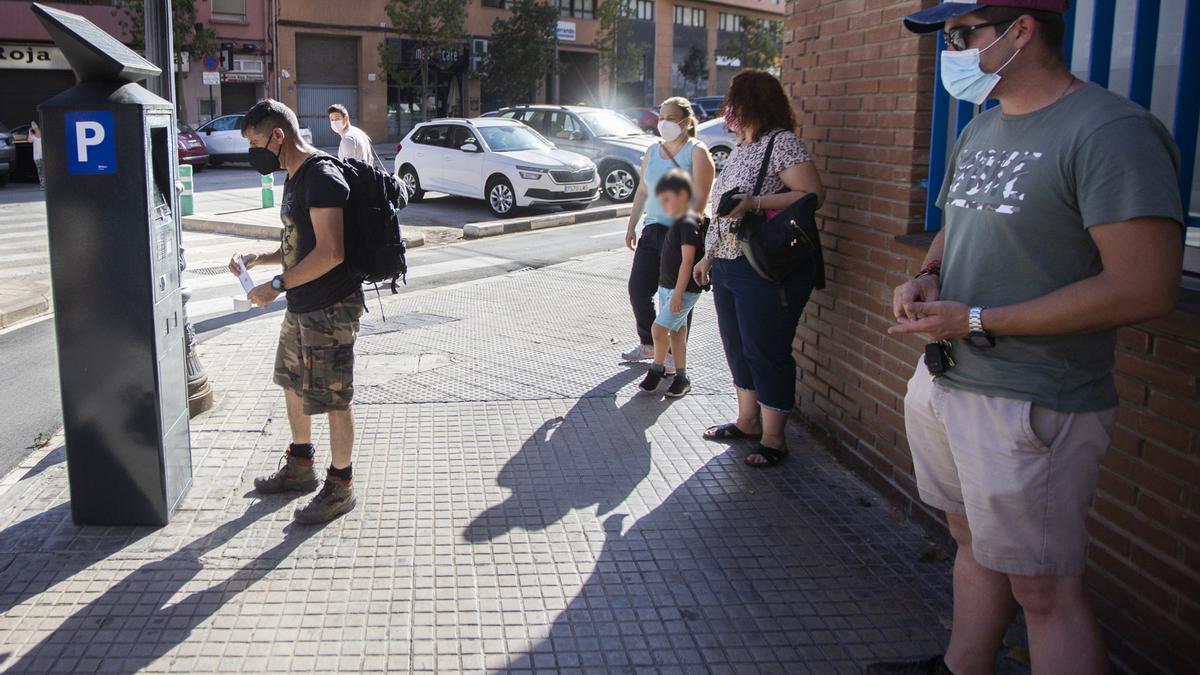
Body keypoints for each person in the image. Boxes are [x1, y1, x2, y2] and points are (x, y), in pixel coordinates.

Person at [869, 3, 1184, 674]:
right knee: (971, 541)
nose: (950, 52)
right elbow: (956, 227)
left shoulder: (1111, 131)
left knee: (1044, 589)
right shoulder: (981, 129)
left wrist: (979, 320)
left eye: (961, 35)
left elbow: (1145, 287)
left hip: (1031, 400)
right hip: (947, 377)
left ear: (1021, 30)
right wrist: (926, 275)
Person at [229, 99, 366, 525]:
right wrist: (263, 257)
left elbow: (330, 251)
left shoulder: (320, 175)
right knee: (291, 381)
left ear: (278, 136)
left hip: (331, 308)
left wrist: (275, 287)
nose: (253, 152)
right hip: (302, 303)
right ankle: (300, 465)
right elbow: (299, 244)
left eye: (255, 143)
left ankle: (340, 486)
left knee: (334, 397)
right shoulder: (293, 176)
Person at [692, 71, 824, 468]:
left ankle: (774, 439)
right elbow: (723, 212)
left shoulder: (781, 143)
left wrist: (757, 201)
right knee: (737, 348)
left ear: (754, 103)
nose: (727, 111)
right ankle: (747, 421)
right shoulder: (741, 146)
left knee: (766, 351)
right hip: (729, 264)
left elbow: (812, 195)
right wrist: (708, 256)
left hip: (763, 268)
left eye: (735, 102)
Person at [622, 97, 716, 367]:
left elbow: (701, 198)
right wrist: (632, 225)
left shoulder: (696, 151)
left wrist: (687, 236)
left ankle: (676, 356)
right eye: (661, 117)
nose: (663, 123)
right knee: (639, 288)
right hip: (652, 229)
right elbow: (642, 190)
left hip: (680, 234)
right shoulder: (653, 150)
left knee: (676, 296)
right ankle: (650, 344)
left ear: (686, 122)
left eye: (670, 118)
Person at [639, 169, 704, 398]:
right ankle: (681, 377)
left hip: (682, 290)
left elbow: (687, 261)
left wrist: (677, 294)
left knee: (658, 330)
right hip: (669, 287)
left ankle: (656, 370)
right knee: (677, 333)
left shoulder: (688, 222)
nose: (664, 205)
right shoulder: (676, 221)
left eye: (667, 199)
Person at [29, 121, 43, 190]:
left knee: (44, 170)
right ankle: (42, 184)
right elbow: (29, 140)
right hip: (37, 157)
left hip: (43, 156)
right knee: (40, 170)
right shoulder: (33, 137)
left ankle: (45, 184)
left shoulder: (43, 134)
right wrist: (30, 132)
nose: (36, 128)